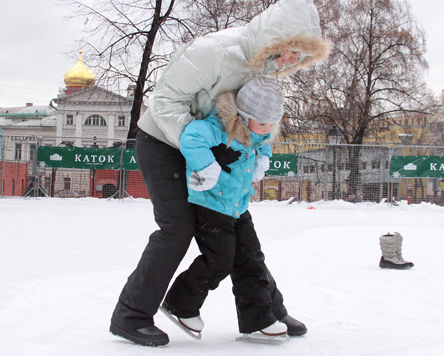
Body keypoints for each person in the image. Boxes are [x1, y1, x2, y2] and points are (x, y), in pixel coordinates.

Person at [110, 0, 330, 346]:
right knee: (177, 228)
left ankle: (264, 312)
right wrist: (202, 153)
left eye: (299, 55)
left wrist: (246, 148)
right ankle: (131, 315)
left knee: (237, 221)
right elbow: (165, 103)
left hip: (210, 144)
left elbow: (250, 113)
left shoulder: (263, 64)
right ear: (274, 39)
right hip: (163, 140)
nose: (291, 61)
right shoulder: (211, 52)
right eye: (289, 51)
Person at [162, 77, 287, 339]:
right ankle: (180, 305)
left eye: (271, 125)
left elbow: (263, 144)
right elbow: (191, 139)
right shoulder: (218, 126)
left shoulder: (259, 133)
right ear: (243, 115)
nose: (266, 130)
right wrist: (208, 168)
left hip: (237, 206)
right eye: (262, 123)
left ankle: (258, 319)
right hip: (209, 205)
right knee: (219, 261)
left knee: (251, 259)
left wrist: (262, 159)